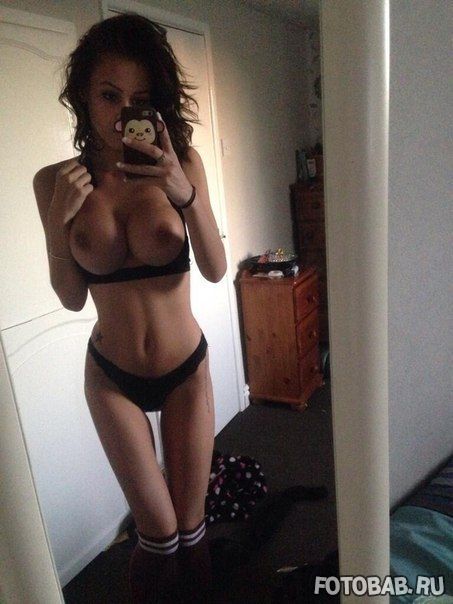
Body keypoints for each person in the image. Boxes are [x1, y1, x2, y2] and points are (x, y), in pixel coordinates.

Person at [32, 12, 227, 603]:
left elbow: (216, 269)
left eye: (138, 100)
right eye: (108, 95)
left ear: (156, 103)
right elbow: (72, 298)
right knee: (158, 535)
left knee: (191, 531)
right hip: (111, 377)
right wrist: (58, 223)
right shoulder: (55, 181)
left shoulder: (181, 162)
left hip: (185, 369)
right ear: (82, 97)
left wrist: (182, 191)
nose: (122, 112)